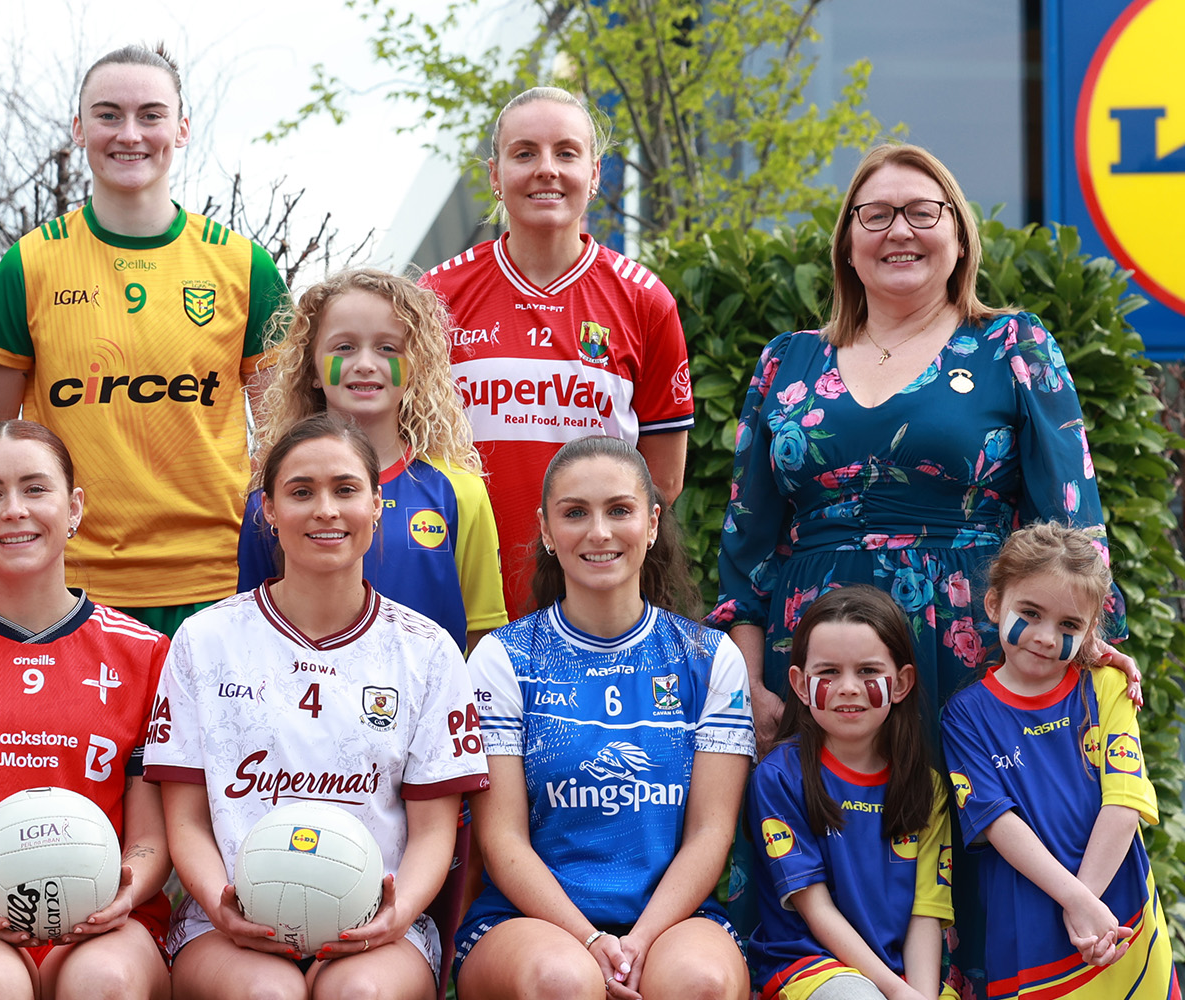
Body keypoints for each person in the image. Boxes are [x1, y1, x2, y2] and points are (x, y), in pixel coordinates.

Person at [710, 143, 1125, 737]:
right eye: (875, 215)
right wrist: (750, 685)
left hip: (969, 653)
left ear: (959, 237)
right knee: (819, 827)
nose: (898, 230)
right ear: (848, 247)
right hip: (814, 662)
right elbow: (745, 550)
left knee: (977, 826)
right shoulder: (786, 360)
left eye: (923, 212)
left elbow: (1070, 527)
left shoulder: (1012, 345)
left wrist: (1086, 646)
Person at [151, 412, 487, 1000]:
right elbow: (185, 820)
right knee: (268, 995)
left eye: (346, 490)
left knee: (359, 995)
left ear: (377, 508)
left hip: (382, 928)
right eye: (301, 492)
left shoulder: (428, 651)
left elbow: (437, 831)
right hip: (226, 924)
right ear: (269, 512)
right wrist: (221, 907)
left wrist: (398, 913)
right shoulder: (205, 641)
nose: (326, 510)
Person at [0, 45, 287, 634]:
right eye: (108, 114)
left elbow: (285, 436)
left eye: (151, 115)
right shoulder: (30, 265)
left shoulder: (245, 267)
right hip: (68, 584)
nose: (130, 134)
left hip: (218, 581)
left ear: (181, 127)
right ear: (79, 127)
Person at [453, 437, 753, 1000]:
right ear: (545, 530)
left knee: (702, 983)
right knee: (563, 982)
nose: (599, 532)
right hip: (530, 923)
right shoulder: (502, 658)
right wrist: (590, 941)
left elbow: (711, 834)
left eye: (619, 510)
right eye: (575, 513)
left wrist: (637, 941)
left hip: (671, 921)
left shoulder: (709, 657)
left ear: (653, 522)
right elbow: (502, 839)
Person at [0, 419, 176, 1000]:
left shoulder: (144, 652)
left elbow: (150, 835)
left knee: (107, 984)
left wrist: (125, 890)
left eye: (35, 488)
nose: (14, 509)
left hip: (107, 918)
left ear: (74, 508)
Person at [419, 86, 695, 620]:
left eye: (566, 153)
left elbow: (662, 480)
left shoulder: (644, 299)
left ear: (594, 175)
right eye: (525, 153)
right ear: (495, 176)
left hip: (590, 604)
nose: (547, 169)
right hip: (458, 599)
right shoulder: (436, 295)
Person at [939, 525, 1170, 1000]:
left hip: (1120, 915)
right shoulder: (964, 715)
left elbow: (1124, 804)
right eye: (1030, 613)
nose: (1046, 637)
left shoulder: (1107, 687)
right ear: (993, 604)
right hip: (1030, 922)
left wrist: (1088, 907)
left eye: (1069, 625)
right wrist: (1076, 902)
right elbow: (996, 822)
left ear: (1090, 632)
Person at [238, 269, 506, 646]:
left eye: (387, 348)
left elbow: (482, 635)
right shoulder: (270, 501)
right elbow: (248, 634)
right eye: (344, 347)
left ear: (416, 366)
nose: (365, 363)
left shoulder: (460, 491)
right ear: (311, 366)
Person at [747, 585, 959, 1000]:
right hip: (811, 968)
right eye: (828, 672)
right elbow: (817, 910)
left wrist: (917, 993)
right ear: (800, 684)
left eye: (867, 671)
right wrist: (895, 993)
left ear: (901, 684)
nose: (847, 687)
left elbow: (925, 913)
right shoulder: (780, 778)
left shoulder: (927, 788)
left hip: (901, 975)